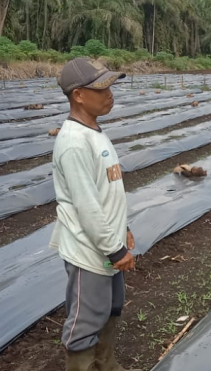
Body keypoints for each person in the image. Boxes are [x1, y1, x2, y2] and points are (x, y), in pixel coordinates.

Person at [50, 57, 140, 371]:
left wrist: (123, 229)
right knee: (85, 321)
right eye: (101, 88)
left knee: (111, 308)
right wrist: (115, 250)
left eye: (111, 86)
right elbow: (87, 206)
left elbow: (105, 192)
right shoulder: (74, 143)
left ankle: (107, 364)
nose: (110, 94)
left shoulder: (94, 132)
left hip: (108, 243)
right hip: (90, 251)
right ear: (78, 94)